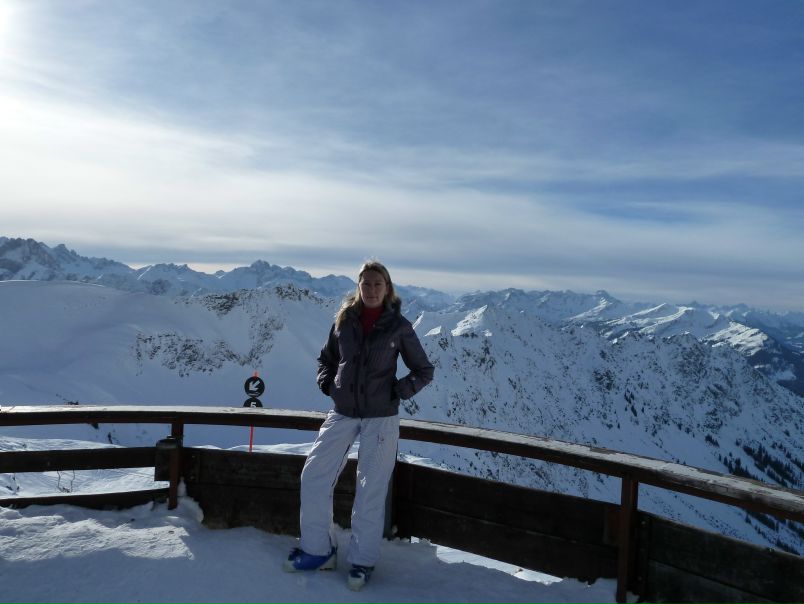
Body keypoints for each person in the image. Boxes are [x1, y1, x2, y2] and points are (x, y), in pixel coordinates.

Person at [283, 260, 434, 591]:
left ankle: (362, 561)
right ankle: (318, 550)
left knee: (371, 487)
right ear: (359, 286)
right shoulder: (344, 320)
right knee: (314, 475)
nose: (371, 289)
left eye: (378, 284)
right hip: (343, 411)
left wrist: (398, 391)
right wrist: (328, 385)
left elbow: (424, 370)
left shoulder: (399, 327)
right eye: (366, 283)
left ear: (387, 288)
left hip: (381, 417)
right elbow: (326, 359)